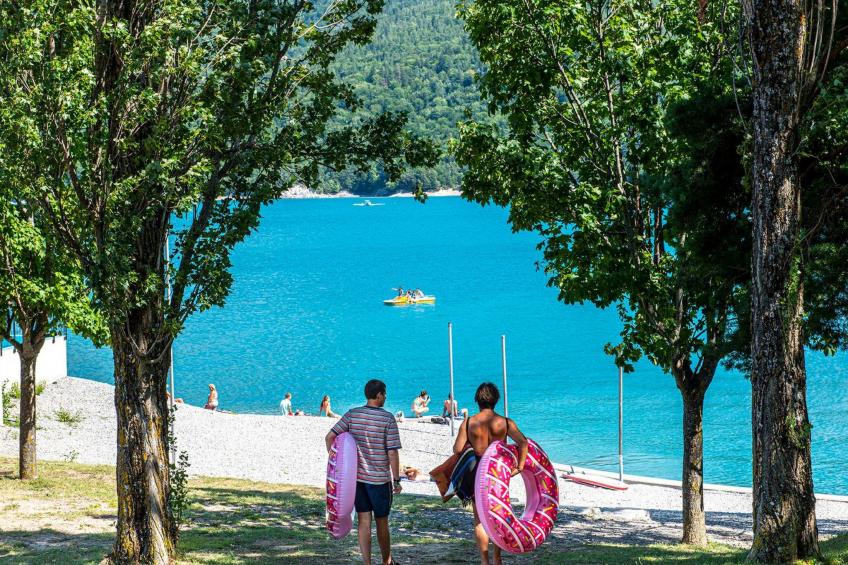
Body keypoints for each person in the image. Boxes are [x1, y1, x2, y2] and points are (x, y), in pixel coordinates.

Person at [325, 380, 402, 565]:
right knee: (382, 522)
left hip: (357, 481)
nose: (385, 397)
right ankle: (386, 562)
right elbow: (392, 452)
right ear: (378, 395)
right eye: (384, 394)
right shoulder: (387, 419)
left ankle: (367, 563)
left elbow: (330, 437)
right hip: (380, 482)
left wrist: (337, 464)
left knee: (364, 521)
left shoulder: (353, 415)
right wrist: (397, 479)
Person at [452, 382, 528, 565]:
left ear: (477, 400)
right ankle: (497, 557)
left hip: (478, 475)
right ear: (496, 400)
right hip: (497, 473)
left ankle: (484, 560)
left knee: (480, 519)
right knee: (498, 516)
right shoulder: (505, 422)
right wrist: (520, 467)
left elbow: (457, 449)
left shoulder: (469, 422)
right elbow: (523, 442)